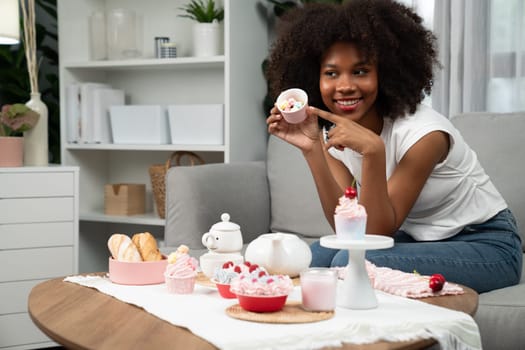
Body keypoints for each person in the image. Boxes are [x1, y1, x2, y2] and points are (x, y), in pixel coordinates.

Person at [265, 0, 522, 293]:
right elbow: (347, 229)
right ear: (315, 78)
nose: (345, 85)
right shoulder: (334, 136)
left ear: (385, 73)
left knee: (347, 261)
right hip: (415, 241)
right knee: (313, 258)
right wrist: (312, 150)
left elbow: (375, 232)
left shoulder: (424, 134)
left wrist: (373, 152)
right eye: (332, 73)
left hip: (486, 247)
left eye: (360, 71)